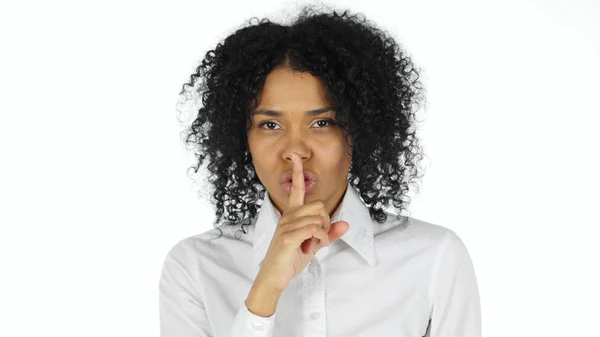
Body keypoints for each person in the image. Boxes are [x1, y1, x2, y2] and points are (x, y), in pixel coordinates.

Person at [159, 5, 481, 337]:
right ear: (244, 139)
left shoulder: (433, 257)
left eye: (321, 123)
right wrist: (266, 287)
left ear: (357, 132)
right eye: (270, 124)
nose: (295, 150)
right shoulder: (195, 267)